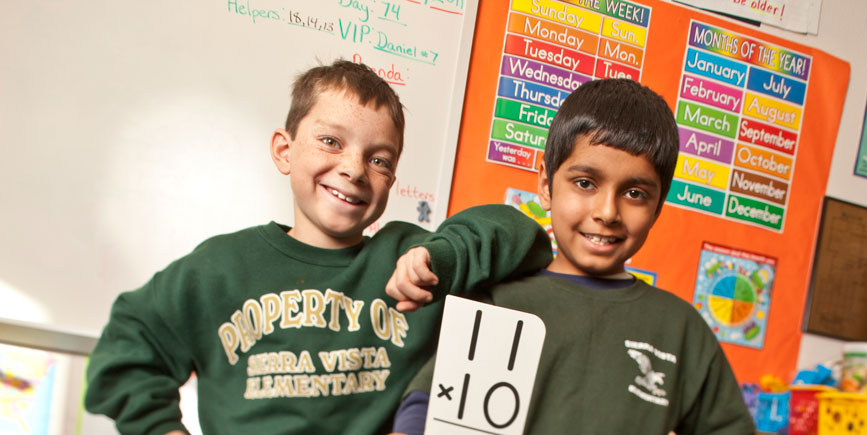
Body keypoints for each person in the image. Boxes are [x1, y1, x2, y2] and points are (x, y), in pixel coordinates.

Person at [84, 60, 552, 435]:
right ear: (285, 151)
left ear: (391, 179)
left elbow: (524, 238)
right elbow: (125, 351)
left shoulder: (409, 259)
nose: (353, 168)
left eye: (379, 159)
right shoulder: (219, 268)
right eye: (331, 141)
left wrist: (441, 259)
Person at [391, 79, 756, 434]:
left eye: (635, 193)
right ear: (546, 185)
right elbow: (430, 406)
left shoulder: (681, 329)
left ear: (658, 206)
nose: (607, 212)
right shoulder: (501, 301)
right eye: (585, 183)